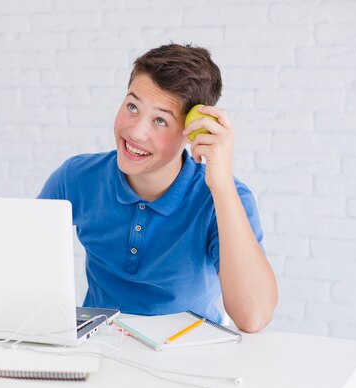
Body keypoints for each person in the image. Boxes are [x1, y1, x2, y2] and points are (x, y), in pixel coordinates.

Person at [38, 43, 277, 332]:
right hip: (100, 349)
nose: (136, 132)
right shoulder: (76, 177)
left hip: (189, 360)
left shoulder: (225, 196)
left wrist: (222, 185)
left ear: (193, 130)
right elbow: (19, 254)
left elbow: (253, 317)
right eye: (132, 107)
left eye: (160, 120)